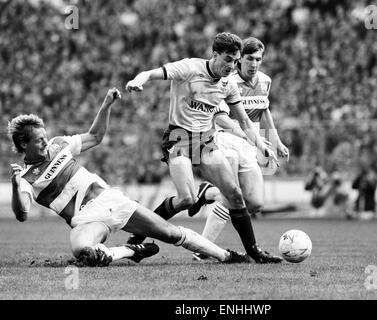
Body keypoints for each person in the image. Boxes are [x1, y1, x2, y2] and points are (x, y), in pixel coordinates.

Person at [8, 88, 249, 267]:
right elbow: (22, 214)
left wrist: (106, 105)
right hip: (86, 221)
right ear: (23, 143)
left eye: (44, 136)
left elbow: (95, 136)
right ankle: (128, 251)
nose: (45, 141)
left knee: (172, 234)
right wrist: (15, 184)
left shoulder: (59, 144)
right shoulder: (27, 178)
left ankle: (227, 255)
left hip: (111, 201)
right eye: (39, 139)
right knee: (83, 251)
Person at [125, 33, 282, 263]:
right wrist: (138, 81)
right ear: (215, 54)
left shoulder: (228, 85)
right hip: (178, 139)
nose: (231, 66)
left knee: (235, 195)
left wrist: (261, 144)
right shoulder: (189, 68)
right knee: (186, 199)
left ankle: (254, 252)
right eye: (228, 59)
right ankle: (138, 234)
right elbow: (151, 73)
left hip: (206, 141)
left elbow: (245, 122)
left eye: (235, 60)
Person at [184, 37, 290, 258]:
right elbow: (221, 119)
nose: (254, 64)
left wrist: (275, 140)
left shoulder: (265, 81)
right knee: (232, 194)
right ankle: (203, 249)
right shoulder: (226, 81)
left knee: (255, 203)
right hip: (223, 139)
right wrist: (250, 138)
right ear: (240, 61)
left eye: (258, 59)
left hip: (247, 144)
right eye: (250, 59)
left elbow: (264, 110)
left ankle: (208, 192)